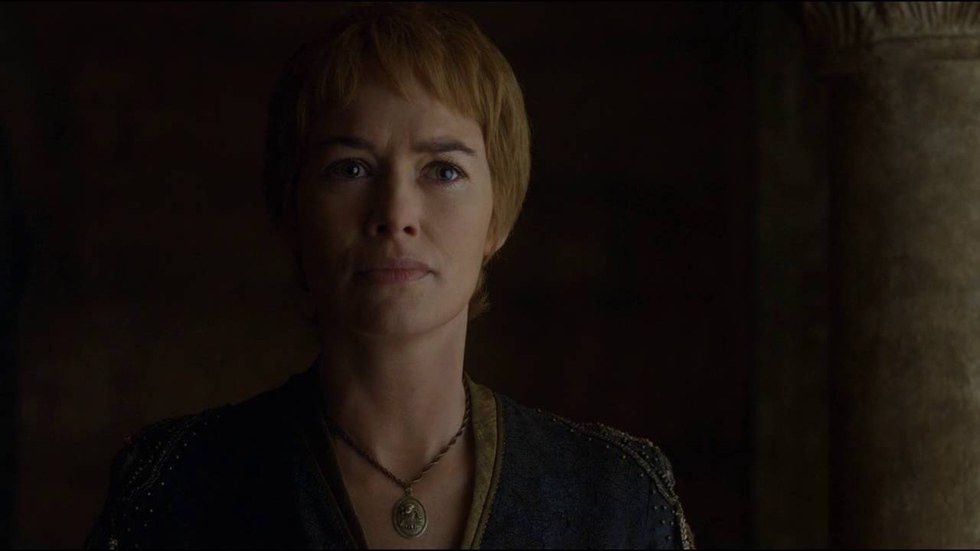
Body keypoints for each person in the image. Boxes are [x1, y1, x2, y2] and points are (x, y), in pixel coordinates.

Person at [84, 3, 695, 549]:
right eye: (350, 168)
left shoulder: (615, 497)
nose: (396, 214)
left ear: (499, 215)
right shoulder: (176, 488)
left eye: (444, 170)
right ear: (291, 210)